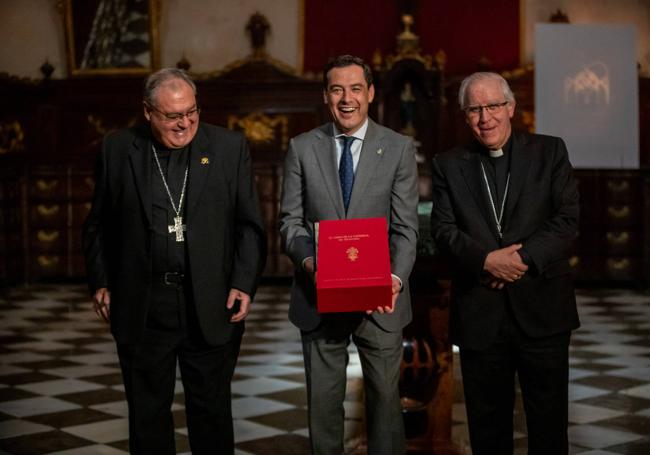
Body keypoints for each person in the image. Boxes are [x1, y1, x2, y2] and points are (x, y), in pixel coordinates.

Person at [82, 68, 266, 454]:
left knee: (211, 416)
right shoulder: (117, 149)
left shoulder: (229, 148)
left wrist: (243, 283)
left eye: (192, 112)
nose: (185, 123)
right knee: (147, 419)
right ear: (148, 112)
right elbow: (97, 224)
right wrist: (101, 281)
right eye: (172, 116)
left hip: (211, 303)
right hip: (144, 305)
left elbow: (249, 226)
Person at [430, 72, 580, 454]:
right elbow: (444, 231)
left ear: (511, 107)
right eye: (475, 109)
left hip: (543, 310)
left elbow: (566, 220)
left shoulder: (550, 152)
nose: (486, 118)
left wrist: (519, 259)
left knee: (548, 426)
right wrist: (485, 261)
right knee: (487, 429)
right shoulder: (448, 164)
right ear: (465, 116)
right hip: (482, 315)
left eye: (493, 106)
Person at [279, 55, 419, 454]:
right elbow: (290, 222)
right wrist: (311, 263)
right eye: (337, 89)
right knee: (323, 408)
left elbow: (405, 227)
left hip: (382, 301)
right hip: (319, 297)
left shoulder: (397, 148)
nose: (347, 99)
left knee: (385, 406)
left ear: (371, 93)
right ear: (326, 96)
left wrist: (393, 279)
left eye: (355, 88)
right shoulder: (302, 148)